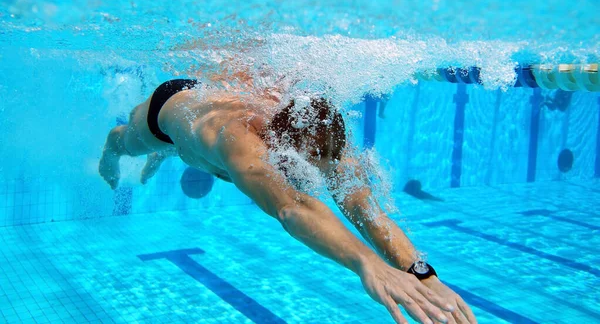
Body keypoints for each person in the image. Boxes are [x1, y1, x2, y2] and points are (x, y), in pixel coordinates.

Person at [99, 77, 477, 324]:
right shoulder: (241, 145)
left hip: (204, 139)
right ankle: (117, 152)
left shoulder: (327, 138)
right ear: (278, 150)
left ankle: (167, 154)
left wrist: (422, 273)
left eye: (317, 172)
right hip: (173, 109)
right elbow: (291, 207)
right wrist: (366, 263)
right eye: (301, 173)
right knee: (129, 143)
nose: (308, 182)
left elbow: (368, 211)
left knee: (195, 156)